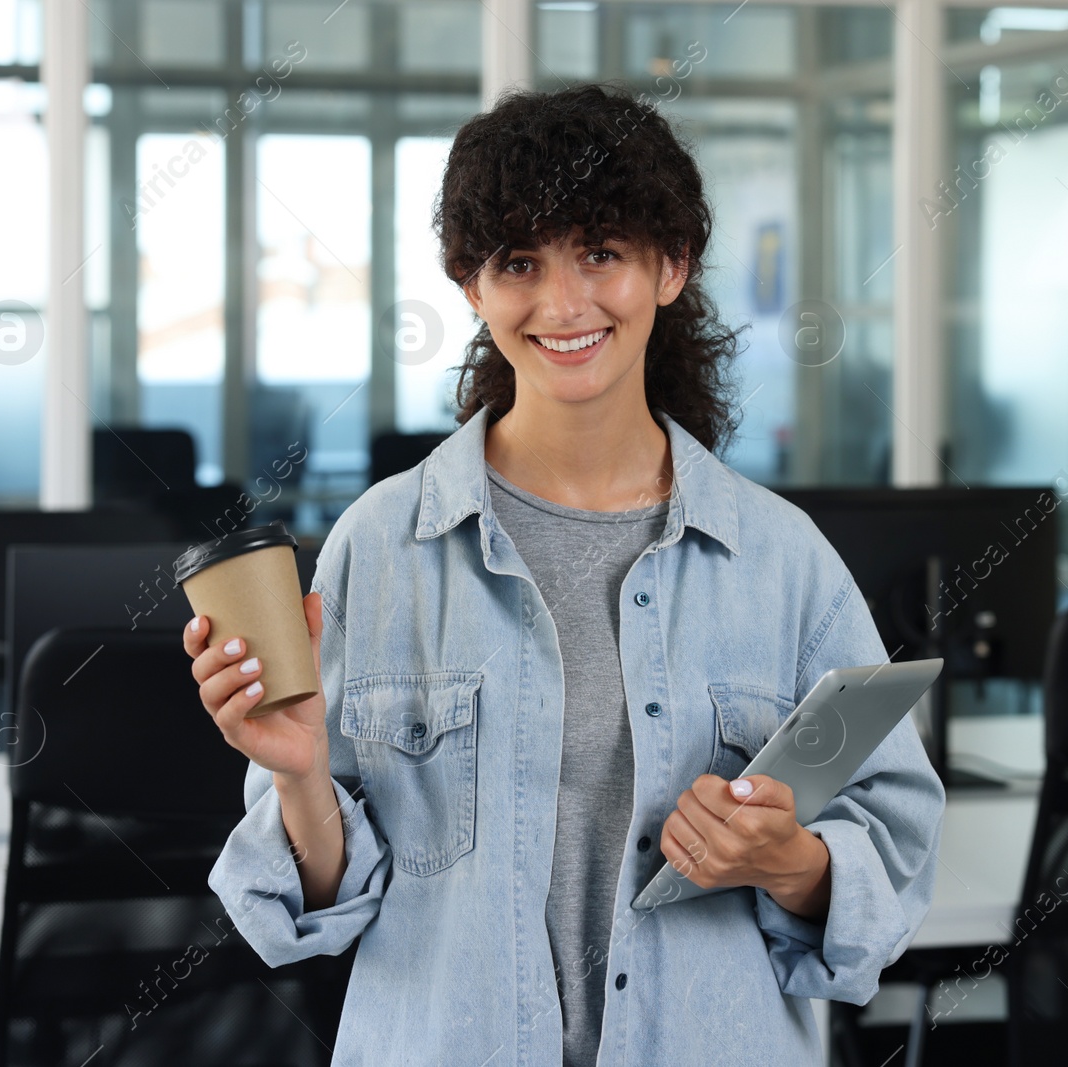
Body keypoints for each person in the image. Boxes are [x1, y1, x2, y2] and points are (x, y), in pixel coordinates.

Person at [183, 82, 946, 1067]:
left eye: (600, 252)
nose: (563, 302)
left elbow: (890, 853)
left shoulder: (781, 558)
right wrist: (295, 780)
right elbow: (311, 916)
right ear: (471, 285)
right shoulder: (382, 543)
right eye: (518, 263)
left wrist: (791, 862)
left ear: (670, 266)